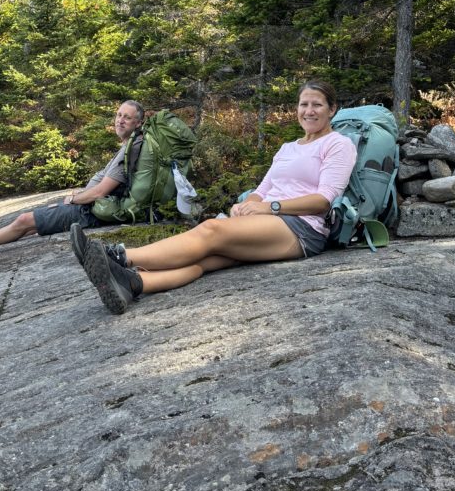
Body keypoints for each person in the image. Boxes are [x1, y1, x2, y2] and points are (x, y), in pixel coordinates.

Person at [71, 81, 357, 315]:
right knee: (205, 259)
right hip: (268, 219)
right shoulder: (287, 147)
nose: (309, 111)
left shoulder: (338, 144)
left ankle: (119, 257)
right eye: (303, 104)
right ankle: (132, 284)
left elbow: (323, 200)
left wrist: (268, 207)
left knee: (210, 230)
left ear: (332, 110)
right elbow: (263, 188)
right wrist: (246, 205)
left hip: (302, 228)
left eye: (317, 104)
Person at [0, 100, 145, 258]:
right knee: (31, 227)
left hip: (91, 211)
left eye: (127, 117)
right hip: (91, 207)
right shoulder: (130, 145)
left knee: (25, 220)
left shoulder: (131, 149)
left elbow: (100, 192)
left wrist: (74, 199)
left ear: (138, 123)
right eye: (118, 115)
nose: (120, 120)